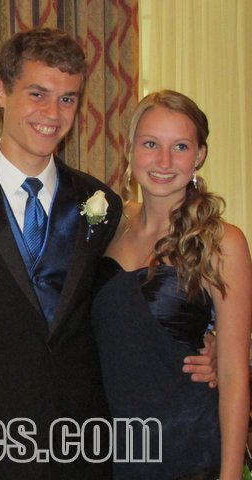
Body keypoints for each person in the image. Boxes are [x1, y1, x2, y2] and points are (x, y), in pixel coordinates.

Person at [0, 27, 218, 479]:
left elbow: (139, 294)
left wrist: (212, 338)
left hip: (83, 451)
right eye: (38, 94)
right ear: (1, 91)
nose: (53, 113)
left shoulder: (103, 206)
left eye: (67, 98)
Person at [91, 90, 251, 480]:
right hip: (110, 454)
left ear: (199, 155)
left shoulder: (222, 242)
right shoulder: (107, 224)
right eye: (151, 144)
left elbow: (233, 374)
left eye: (180, 147)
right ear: (130, 149)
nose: (164, 161)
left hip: (190, 454)